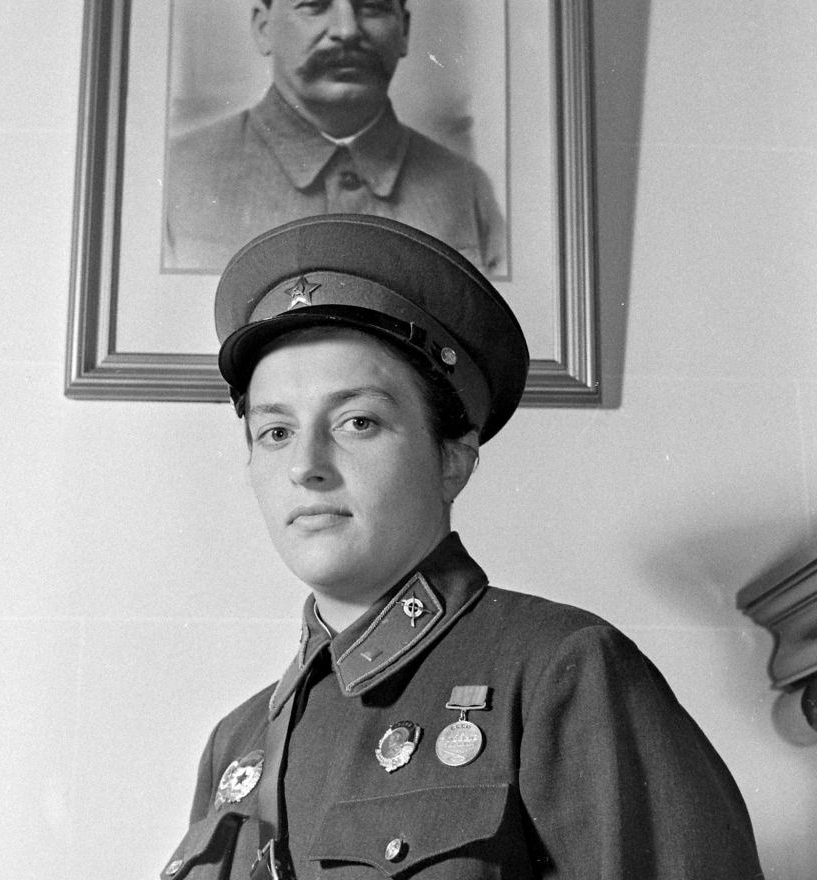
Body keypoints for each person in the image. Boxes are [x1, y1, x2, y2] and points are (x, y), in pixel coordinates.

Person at [159, 213, 764, 880]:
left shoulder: (562, 672)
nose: (307, 464)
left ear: (453, 459)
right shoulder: (235, 747)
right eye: (275, 432)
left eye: (357, 422)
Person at [163, 0, 506, 275]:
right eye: (313, 5)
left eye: (372, 6)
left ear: (404, 31)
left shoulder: (468, 190)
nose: (347, 30)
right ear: (263, 28)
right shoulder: (179, 175)